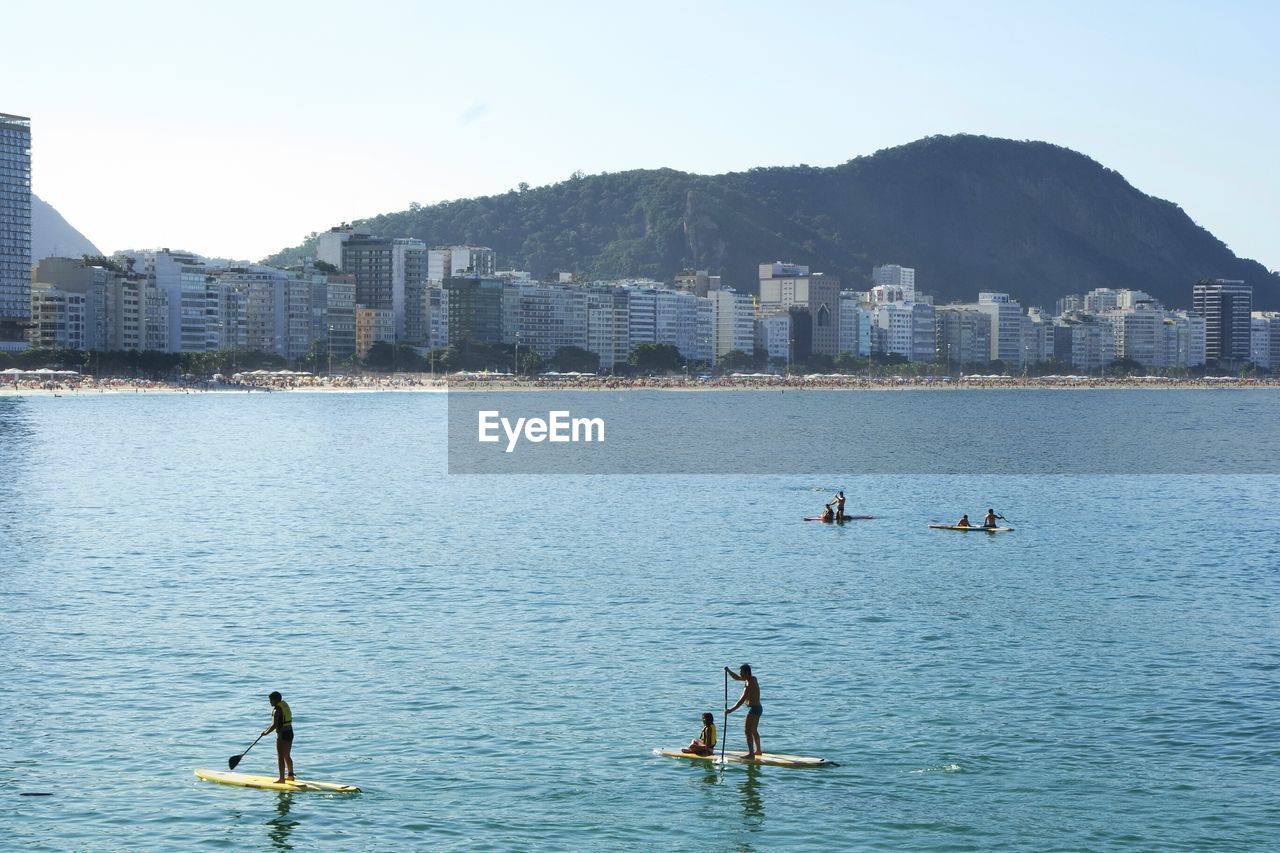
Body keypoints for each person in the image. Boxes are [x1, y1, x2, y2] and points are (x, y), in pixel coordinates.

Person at [725, 664, 763, 758]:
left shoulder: (749, 684)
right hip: (758, 708)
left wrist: (730, 710)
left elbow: (741, 701)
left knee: (747, 731)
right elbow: (737, 678)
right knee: (754, 730)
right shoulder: (752, 678)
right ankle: (758, 751)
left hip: (753, 709)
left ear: (746, 672)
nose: (740, 674)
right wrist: (728, 671)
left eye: (741, 672)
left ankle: (751, 754)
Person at [262, 691, 294, 783]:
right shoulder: (284, 705)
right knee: (287, 755)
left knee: (281, 756)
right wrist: (266, 730)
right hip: (290, 732)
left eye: (271, 700)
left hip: (282, 735)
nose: (270, 702)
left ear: (275, 700)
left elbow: (274, 725)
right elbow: (275, 723)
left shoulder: (277, 710)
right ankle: (291, 776)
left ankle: (281, 779)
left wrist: (266, 733)